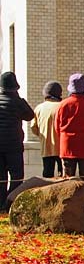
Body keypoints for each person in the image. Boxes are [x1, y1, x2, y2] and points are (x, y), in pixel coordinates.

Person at [0, 72, 35, 209]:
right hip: (14, 146)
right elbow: (30, 115)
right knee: (17, 176)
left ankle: (0, 203)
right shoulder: (18, 102)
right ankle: (9, 202)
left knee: (1, 177)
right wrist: (20, 99)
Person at [31, 81, 63, 178]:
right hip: (62, 148)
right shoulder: (62, 106)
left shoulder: (39, 108)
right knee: (62, 176)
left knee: (47, 174)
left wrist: (42, 135)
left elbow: (33, 127)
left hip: (46, 147)